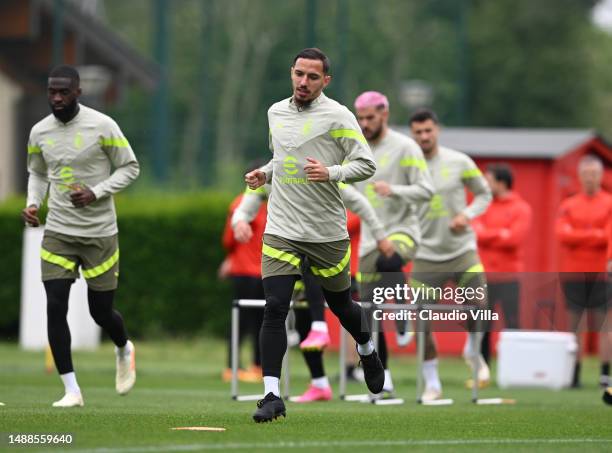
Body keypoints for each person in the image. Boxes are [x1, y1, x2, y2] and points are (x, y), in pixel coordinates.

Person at [244, 48, 386, 422]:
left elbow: (366, 164)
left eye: (312, 76)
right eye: (299, 74)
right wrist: (264, 173)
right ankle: (271, 396)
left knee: (341, 307)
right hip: (282, 229)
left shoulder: (338, 115)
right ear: (291, 73)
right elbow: (282, 157)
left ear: (326, 81)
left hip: (326, 233)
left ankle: (367, 348)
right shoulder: (275, 111)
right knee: (275, 308)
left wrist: (332, 172)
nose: (303, 82)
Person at [22, 65, 139, 407]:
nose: (56, 98)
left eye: (63, 92)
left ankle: (123, 347)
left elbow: (131, 167)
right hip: (58, 231)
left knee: (100, 313)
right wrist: (33, 204)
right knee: (55, 306)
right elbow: (37, 173)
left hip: (100, 234)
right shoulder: (39, 132)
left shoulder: (103, 125)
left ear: (78, 92)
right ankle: (71, 390)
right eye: (51, 92)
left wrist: (96, 192)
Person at [232, 177, 388, 402]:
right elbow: (249, 198)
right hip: (288, 253)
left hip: (328, 253)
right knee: (280, 309)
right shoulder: (276, 173)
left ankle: (363, 347)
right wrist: (239, 220)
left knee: (342, 306)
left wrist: (380, 236)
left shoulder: (325, 174)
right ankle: (309, 385)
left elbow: (360, 204)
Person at [352, 91, 434, 397]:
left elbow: (426, 190)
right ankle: (383, 379)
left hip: (403, 232)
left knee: (390, 259)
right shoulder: (355, 147)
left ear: (384, 115)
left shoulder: (405, 147)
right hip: (370, 238)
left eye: (370, 118)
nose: (364, 123)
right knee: (368, 312)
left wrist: (395, 190)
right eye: (360, 118)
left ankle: (402, 312)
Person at [409, 108, 492, 402]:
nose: (424, 136)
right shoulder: (407, 166)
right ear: (412, 135)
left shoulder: (459, 162)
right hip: (424, 255)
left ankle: (472, 348)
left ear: (437, 130)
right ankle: (432, 384)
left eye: (428, 130)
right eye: (418, 132)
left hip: (461, 250)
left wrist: (467, 215)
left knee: (479, 305)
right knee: (421, 321)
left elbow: (484, 194)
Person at [555, 154, 612, 388]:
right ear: (579, 176)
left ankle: (604, 374)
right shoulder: (568, 205)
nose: (590, 178)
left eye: (594, 174)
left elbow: (608, 236)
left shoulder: (609, 203)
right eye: (586, 174)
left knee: (604, 325)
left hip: (601, 273)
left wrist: (581, 236)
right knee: (574, 326)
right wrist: (594, 234)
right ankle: (574, 374)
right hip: (574, 273)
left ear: (601, 176)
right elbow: (562, 234)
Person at [473, 163, 531, 368]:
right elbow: (475, 232)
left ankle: (515, 369)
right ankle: (482, 371)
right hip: (484, 277)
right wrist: (500, 233)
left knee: (512, 324)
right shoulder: (482, 205)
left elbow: (514, 238)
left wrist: (489, 234)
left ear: (501, 182)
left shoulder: (521, 208)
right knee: (483, 325)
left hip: (509, 277)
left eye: (488, 180)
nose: (484, 184)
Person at [220, 162, 267, 383]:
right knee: (262, 321)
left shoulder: (240, 203)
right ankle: (258, 366)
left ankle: (232, 367)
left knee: (239, 320)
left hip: (243, 270)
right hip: (267, 271)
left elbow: (229, 239)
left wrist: (230, 258)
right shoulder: (274, 203)